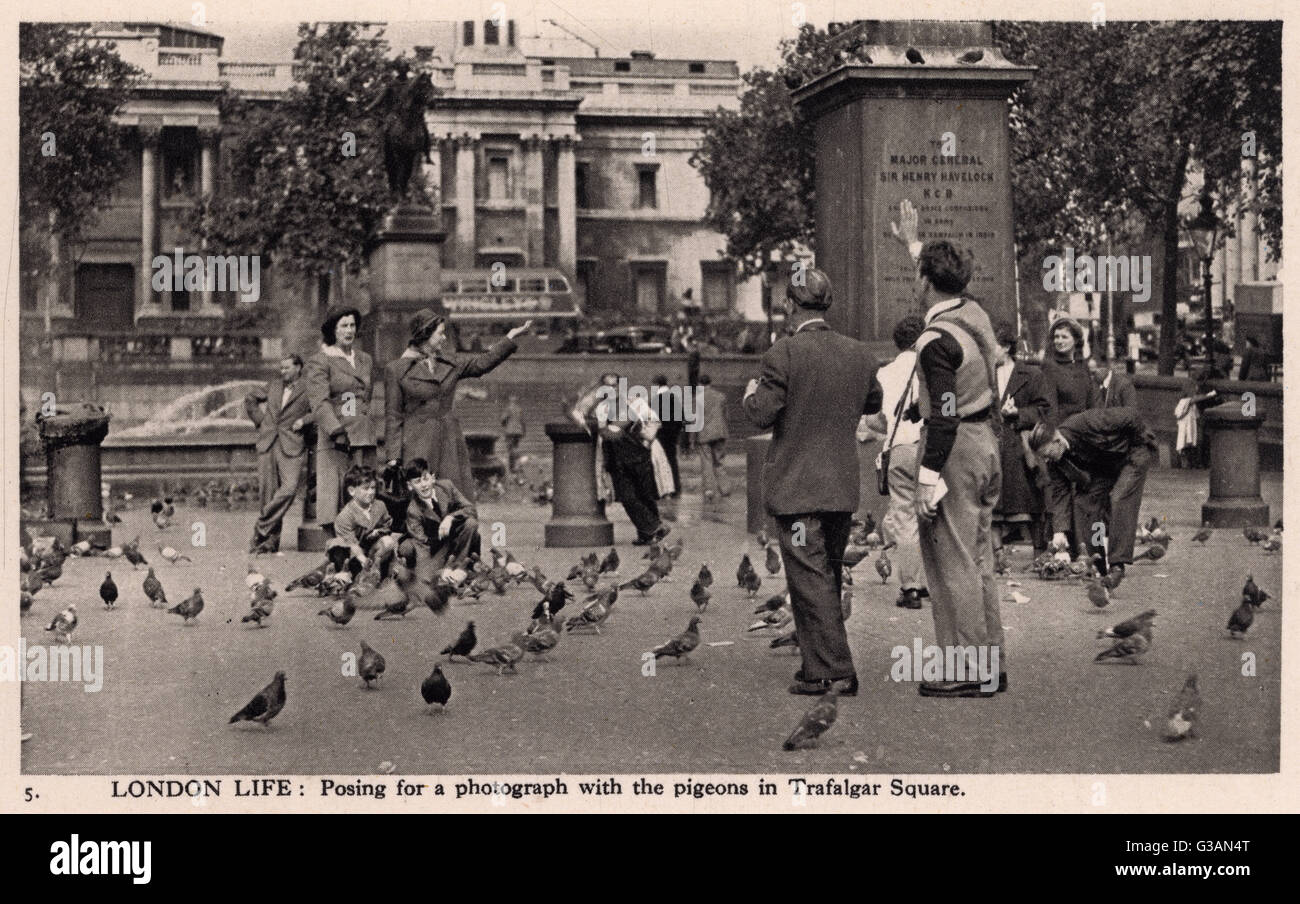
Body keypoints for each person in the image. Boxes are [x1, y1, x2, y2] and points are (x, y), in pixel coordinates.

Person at [743, 267, 882, 698]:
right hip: (840, 487)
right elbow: (873, 401)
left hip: (798, 491)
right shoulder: (859, 353)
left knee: (810, 581)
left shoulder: (783, 353)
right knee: (827, 576)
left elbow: (760, 413)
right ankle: (817, 664)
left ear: (789, 304)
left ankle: (833, 671)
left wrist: (751, 392)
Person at [894, 199, 1006, 699]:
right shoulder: (973, 312)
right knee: (979, 558)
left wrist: (925, 477)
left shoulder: (935, 340)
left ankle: (965, 668)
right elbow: (948, 284)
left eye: (918, 274)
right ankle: (990, 662)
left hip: (954, 450)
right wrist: (916, 247)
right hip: (986, 445)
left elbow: (941, 415)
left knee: (951, 560)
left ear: (923, 282)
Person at [384, 309, 530, 501]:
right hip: (416, 441)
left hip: (449, 439)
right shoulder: (396, 369)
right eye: (440, 333)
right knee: (419, 501)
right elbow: (393, 415)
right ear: (425, 334)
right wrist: (393, 456)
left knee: (453, 497)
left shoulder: (450, 363)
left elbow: (482, 364)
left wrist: (509, 338)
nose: (444, 338)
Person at [1029, 407, 1158, 578]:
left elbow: (1131, 416)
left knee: (1119, 498)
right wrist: (1059, 531)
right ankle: (1096, 562)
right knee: (1085, 503)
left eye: (1047, 454)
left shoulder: (1086, 423)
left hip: (1134, 451)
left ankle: (1117, 565)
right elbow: (1060, 495)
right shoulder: (1055, 462)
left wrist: (1143, 442)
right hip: (1104, 465)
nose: (1046, 460)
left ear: (1057, 441)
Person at [573, 372, 669, 546]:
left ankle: (646, 535)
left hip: (638, 454)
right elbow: (580, 415)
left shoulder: (635, 402)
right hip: (616, 457)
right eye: (607, 386)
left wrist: (648, 438)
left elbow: (653, 420)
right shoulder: (600, 408)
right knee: (627, 496)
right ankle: (655, 526)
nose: (612, 389)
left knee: (645, 495)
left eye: (615, 385)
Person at [304, 307, 376, 525]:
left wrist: (356, 416)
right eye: (343, 326)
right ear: (332, 330)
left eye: (352, 325)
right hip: (337, 440)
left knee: (366, 500)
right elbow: (319, 402)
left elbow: (363, 397)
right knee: (337, 502)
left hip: (363, 438)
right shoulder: (321, 360)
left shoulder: (365, 359)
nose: (349, 330)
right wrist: (336, 430)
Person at [875, 314, 928, 609]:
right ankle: (930, 583)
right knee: (935, 517)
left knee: (905, 517)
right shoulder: (932, 368)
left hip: (900, 449)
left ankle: (910, 588)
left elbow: (877, 419)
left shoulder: (884, 373)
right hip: (932, 447)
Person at [992, 321, 1051, 558]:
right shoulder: (982, 375)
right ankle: (998, 554)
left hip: (1020, 448)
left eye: (990, 346)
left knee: (1030, 500)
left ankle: (1039, 552)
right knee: (992, 501)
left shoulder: (1032, 374)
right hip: (992, 445)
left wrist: (1019, 413)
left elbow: (1045, 409)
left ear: (1006, 347)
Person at [245, 354, 315, 554]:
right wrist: (260, 420)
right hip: (268, 442)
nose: (282, 372)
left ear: (298, 368)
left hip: (291, 443)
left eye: (286, 368)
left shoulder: (308, 387)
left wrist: (304, 420)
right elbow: (250, 398)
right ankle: (268, 543)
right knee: (267, 493)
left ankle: (261, 525)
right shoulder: (274, 385)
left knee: (290, 488)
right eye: (281, 368)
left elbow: (321, 409)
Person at [403, 458, 482, 575]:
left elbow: (471, 509)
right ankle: (454, 570)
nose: (424, 485)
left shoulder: (447, 487)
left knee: (471, 523)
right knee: (429, 577)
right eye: (417, 481)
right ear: (410, 486)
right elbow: (423, 544)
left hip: (459, 541)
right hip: (436, 548)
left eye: (426, 479)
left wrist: (450, 518)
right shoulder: (413, 510)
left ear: (433, 478)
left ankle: (459, 569)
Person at [332, 464, 399, 567]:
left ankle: (376, 567)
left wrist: (379, 531)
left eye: (373, 488)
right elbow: (351, 544)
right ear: (352, 491)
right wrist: (363, 560)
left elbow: (387, 525)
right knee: (338, 550)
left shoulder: (380, 505)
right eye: (366, 488)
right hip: (354, 553)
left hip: (373, 548)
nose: (371, 492)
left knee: (389, 542)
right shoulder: (345, 516)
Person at [650, 375, 683, 518]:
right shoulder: (673, 397)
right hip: (672, 434)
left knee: (660, 462)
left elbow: (653, 418)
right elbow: (680, 417)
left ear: (657, 384)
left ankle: (663, 488)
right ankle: (675, 487)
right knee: (672, 460)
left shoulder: (656, 399)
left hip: (660, 434)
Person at [694, 374, 730, 505]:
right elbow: (726, 415)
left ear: (700, 384)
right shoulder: (721, 396)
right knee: (719, 461)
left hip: (704, 434)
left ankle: (709, 489)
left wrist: (693, 438)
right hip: (720, 432)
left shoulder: (698, 399)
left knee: (707, 462)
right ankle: (725, 489)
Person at [500, 394, 525, 474]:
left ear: (510, 401)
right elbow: (522, 422)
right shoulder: (519, 409)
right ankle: (517, 465)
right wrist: (523, 431)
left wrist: (504, 424)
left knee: (510, 449)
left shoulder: (508, 409)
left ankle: (513, 467)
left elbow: (503, 419)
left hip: (510, 431)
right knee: (516, 447)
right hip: (518, 431)